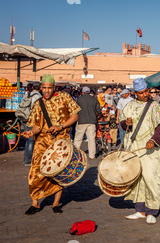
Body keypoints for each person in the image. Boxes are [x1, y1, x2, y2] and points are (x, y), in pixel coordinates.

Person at [22, 74, 80, 215]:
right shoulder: (38, 104)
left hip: (60, 141)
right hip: (42, 142)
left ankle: (55, 203)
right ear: (40, 88)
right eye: (44, 88)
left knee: (58, 172)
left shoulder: (65, 97)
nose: (46, 91)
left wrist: (61, 126)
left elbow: (75, 116)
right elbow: (37, 126)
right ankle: (35, 203)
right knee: (35, 171)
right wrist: (30, 132)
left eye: (49, 88)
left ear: (54, 87)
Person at [119, 78, 160, 224]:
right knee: (136, 179)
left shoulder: (155, 106)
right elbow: (123, 123)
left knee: (151, 179)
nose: (145, 94)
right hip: (135, 148)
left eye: (146, 91)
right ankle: (140, 210)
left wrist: (153, 140)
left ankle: (152, 211)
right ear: (135, 93)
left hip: (151, 150)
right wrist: (126, 123)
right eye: (141, 93)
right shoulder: (129, 105)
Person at [73, 86, 101, 159]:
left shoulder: (79, 99)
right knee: (91, 138)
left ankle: (76, 154)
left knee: (78, 138)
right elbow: (98, 111)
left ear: (82, 92)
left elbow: (75, 110)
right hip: (92, 121)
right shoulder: (94, 99)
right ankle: (92, 155)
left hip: (81, 121)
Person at [23, 82, 42, 166]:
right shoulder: (37, 96)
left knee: (28, 139)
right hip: (31, 118)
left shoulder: (27, 94)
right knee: (31, 139)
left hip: (24, 117)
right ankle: (28, 160)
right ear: (40, 87)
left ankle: (28, 158)